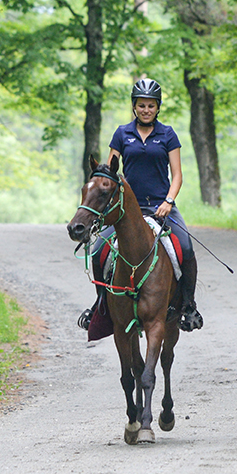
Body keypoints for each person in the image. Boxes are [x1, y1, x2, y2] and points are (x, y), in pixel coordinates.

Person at [79, 78, 202, 332]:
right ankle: (101, 301)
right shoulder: (122, 133)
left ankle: (188, 306)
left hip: (161, 205)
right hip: (127, 208)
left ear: (158, 108)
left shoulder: (167, 134)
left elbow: (177, 175)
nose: (146, 110)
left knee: (186, 248)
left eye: (151, 105)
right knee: (98, 250)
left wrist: (169, 201)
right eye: (141, 105)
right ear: (134, 107)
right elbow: (108, 175)